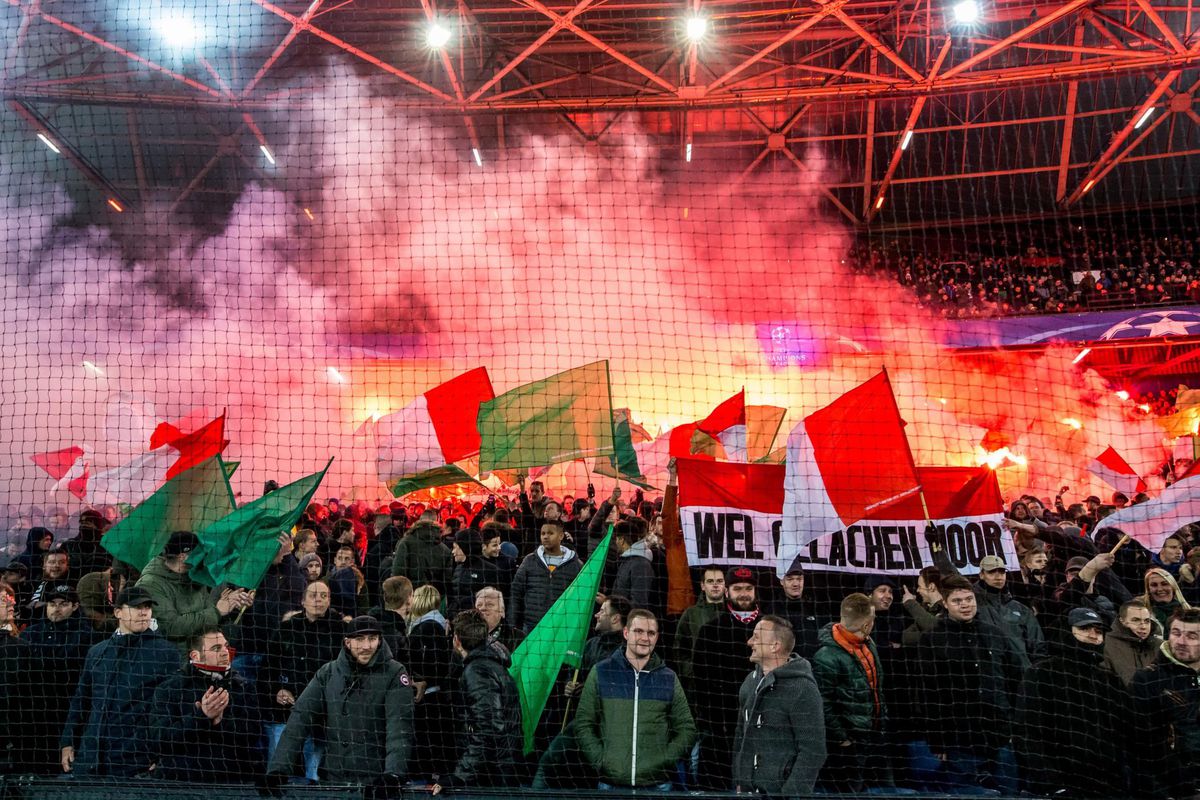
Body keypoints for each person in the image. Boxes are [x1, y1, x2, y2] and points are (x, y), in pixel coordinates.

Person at [267, 616, 414, 787]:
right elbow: (300, 719)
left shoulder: (395, 673)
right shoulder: (327, 672)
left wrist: (393, 774)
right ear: (347, 642)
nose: (367, 646)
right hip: (332, 779)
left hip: (375, 782)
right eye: (359, 639)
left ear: (380, 640)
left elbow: (399, 728)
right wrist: (278, 769)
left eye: (372, 639)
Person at [60, 586, 182, 777]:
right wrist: (67, 741)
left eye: (147, 607)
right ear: (118, 612)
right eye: (136, 607)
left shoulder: (166, 653)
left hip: (136, 762)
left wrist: (163, 756)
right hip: (91, 759)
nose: (143, 612)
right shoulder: (98, 652)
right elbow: (81, 700)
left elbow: (174, 708)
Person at [918, 576, 1022, 794]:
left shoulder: (995, 634)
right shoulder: (932, 639)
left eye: (969, 599)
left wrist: (1014, 725)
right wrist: (937, 740)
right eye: (957, 601)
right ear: (945, 603)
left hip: (1000, 734)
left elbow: (1015, 679)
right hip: (960, 739)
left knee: (1010, 793)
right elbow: (928, 692)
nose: (965, 605)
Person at [575, 609, 697, 790]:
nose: (645, 638)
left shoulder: (668, 677)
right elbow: (583, 723)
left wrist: (664, 761)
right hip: (611, 784)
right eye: (638, 631)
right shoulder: (601, 672)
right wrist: (602, 760)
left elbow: (687, 729)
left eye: (651, 633)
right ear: (626, 633)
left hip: (657, 785)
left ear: (657, 637)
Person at [1016, 607, 1130, 796]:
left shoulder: (1109, 680)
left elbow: (1125, 732)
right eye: (1085, 629)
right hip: (1061, 786)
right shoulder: (1041, 674)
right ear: (1067, 631)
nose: (1093, 636)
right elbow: (1028, 732)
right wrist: (1053, 784)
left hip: (1108, 784)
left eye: (1098, 631)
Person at [149, 626, 264, 782]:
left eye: (226, 646)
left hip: (233, 780)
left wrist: (220, 721)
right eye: (216, 648)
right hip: (183, 780)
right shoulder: (170, 688)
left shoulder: (242, 686)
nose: (225, 652)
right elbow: (160, 739)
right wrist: (201, 717)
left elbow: (252, 733)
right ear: (196, 656)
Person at [733, 615, 826, 797]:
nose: (750, 642)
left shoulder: (802, 689)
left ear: (775, 646)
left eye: (756, 637)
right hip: (747, 792)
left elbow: (814, 750)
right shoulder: (749, 683)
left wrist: (790, 794)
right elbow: (740, 736)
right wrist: (739, 780)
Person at [261, 580, 344, 781]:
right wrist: (277, 690)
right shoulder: (286, 629)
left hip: (324, 718)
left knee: (315, 777)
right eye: (313, 595)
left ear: (330, 600)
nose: (318, 600)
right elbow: (268, 668)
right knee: (277, 772)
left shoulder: (341, 632)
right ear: (303, 601)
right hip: (285, 713)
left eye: (324, 596)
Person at [431, 610, 522, 794]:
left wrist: (460, 775)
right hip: (497, 767)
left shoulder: (478, 671)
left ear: (456, 639)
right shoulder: (489, 664)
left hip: (490, 775)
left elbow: (487, 729)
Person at [692, 566, 762, 790]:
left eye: (749, 588)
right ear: (727, 591)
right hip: (720, 732)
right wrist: (713, 724)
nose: (743, 593)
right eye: (737, 588)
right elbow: (701, 684)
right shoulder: (709, 631)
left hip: (762, 729)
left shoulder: (771, 628)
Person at [813, 593, 888, 792]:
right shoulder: (826, 657)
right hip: (849, 745)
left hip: (874, 734)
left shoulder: (869, 644)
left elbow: (876, 688)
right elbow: (823, 703)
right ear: (866, 624)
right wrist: (842, 738)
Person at [20, 584, 99, 773]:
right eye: (52, 603)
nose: (56, 608)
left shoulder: (87, 636)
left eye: (63, 603)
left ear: (75, 606)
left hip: (68, 710)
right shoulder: (31, 633)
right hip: (33, 713)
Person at [135, 531, 254, 651]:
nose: (204, 558)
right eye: (199, 553)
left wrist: (230, 606)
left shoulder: (194, 577)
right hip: (170, 662)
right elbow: (170, 627)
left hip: (199, 658)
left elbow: (207, 617)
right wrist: (216, 612)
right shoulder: (150, 585)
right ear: (183, 557)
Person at [1131, 607, 1200, 797]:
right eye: (1176, 633)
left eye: (1192, 636)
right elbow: (1143, 744)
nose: (1181, 642)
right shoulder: (1147, 679)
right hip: (1177, 786)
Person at [406, 585, 455, 780]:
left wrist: (422, 680)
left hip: (428, 696)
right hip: (432, 694)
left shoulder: (428, 626)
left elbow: (435, 663)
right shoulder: (436, 624)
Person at [508, 521, 582, 633]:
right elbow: (516, 592)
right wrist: (513, 624)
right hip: (531, 627)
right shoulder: (529, 560)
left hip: (561, 628)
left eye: (550, 533)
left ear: (561, 536)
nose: (545, 537)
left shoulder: (576, 565)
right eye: (543, 534)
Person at [674, 567, 726, 690]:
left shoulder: (734, 613)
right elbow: (679, 648)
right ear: (702, 586)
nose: (715, 585)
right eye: (710, 581)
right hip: (699, 684)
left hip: (729, 681)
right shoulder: (691, 614)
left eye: (719, 581)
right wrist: (690, 671)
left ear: (725, 585)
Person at [768, 558, 821, 659]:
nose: (796, 584)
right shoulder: (772, 611)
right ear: (781, 581)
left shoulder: (815, 608)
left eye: (799, 579)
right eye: (790, 579)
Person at [1103, 599, 1162, 685]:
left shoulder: (1160, 646)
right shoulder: (1106, 644)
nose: (1143, 626)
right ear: (1122, 621)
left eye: (1147, 621)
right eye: (1136, 620)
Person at [391, 519, 454, 597]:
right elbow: (446, 580)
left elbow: (398, 573)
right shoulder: (445, 550)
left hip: (411, 598)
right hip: (434, 599)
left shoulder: (405, 543)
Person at [612, 518, 656, 610]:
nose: (615, 543)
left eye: (615, 539)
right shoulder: (627, 560)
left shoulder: (640, 565)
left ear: (621, 540)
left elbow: (638, 603)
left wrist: (614, 606)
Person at [475, 586, 524, 657]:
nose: (483, 608)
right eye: (479, 605)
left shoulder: (517, 637)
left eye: (489, 605)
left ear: (502, 612)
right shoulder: (465, 636)